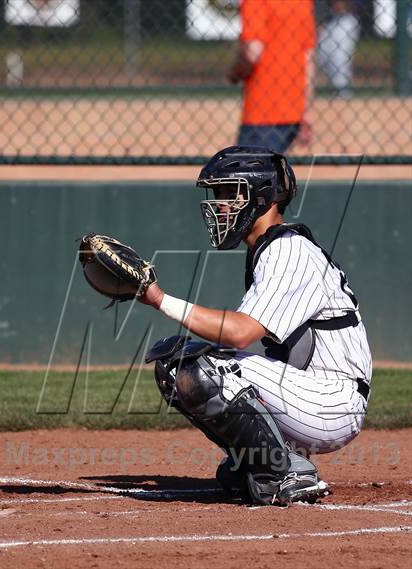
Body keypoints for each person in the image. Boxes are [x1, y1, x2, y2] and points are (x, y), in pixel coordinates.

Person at [142, 145, 372, 506]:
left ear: (260, 196)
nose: (218, 205)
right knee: (176, 364)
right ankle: (258, 461)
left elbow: (240, 332)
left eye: (228, 193)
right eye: (217, 194)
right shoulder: (269, 250)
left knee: (202, 369)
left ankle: (282, 471)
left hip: (332, 402)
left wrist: (160, 300)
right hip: (311, 394)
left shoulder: (289, 251)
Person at [228, 0, 316, 153]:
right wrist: (304, 111)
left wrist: (235, 73)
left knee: (248, 173)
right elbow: (308, 58)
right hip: (294, 110)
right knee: (275, 172)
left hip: (262, 111)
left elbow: (253, 52)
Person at [317, 0, 360, 98]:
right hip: (331, 20)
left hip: (347, 19)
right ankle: (334, 87)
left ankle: (343, 91)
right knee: (323, 55)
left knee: (340, 57)